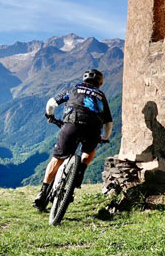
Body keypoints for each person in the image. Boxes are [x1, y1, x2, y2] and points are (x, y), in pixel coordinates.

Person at [33, 68, 114, 211]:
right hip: (93, 129)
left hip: (71, 125)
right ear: (100, 83)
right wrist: (105, 138)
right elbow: (108, 122)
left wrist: (50, 116)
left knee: (57, 159)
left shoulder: (73, 89)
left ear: (84, 79)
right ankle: (80, 171)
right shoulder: (101, 96)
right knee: (89, 151)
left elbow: (51, 103)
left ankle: (43, 192)